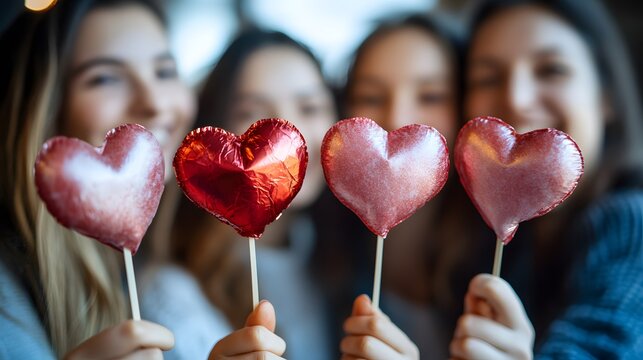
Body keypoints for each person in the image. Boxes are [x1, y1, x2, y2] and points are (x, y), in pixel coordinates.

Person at [448, 0, 643, 358]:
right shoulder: (492, 243)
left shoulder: (631, 223)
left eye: (552, 69)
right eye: (487, 78)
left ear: (606, 96)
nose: (517, 100)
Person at [0, 0, 194, 358]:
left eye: (164, 71)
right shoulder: (7, 304)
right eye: (105, 78)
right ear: (45, 109)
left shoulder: (162, 269)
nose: (153, 102)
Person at [141, 28, 339, 359]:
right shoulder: (170, 297)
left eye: (310, 107)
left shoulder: (335, 263)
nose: (288, 135)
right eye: (251, 113)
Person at [339, 14, 463, 359]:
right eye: (371, 96)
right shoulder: (323, 257)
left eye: (431, 96)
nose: (396, 119)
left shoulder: (518, 261)